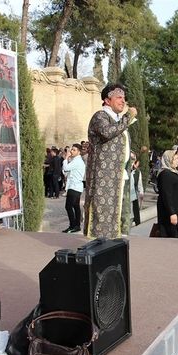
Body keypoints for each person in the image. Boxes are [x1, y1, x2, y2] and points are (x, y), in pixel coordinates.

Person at [83, 83, 137, 239]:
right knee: (102, 213)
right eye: (119, 98)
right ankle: (100, 247)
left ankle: (116, 246)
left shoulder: (119, 120)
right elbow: (107, 133)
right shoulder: (100, 116)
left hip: (120, 175)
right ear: (107, 100)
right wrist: (128, 116)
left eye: (124, 98)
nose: (123, 101)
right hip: (104, 177)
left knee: (121, 216)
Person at [156, 150, 178, 238]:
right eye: (175, 159)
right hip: (171, 215)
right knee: (171, 239)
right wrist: (172, 213)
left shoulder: (174, 172)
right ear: (168, 160)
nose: (177, 161)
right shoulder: (165, 174)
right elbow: (167, 195)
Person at [62, 143, 86, 233]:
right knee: (76, 206)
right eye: (72, 149)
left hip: (74, 187)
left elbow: (66, 168)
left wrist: (66, 158)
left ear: (79, 152)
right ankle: (77, 225)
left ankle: (73, 225)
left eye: (74, 150)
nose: (71, 151)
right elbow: (66, 172)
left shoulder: (77, 161)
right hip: (75, 186)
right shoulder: (75, 160)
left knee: (68, 206)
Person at [130, 156, 144, 227]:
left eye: (133, 160)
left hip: (133, 197)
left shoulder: (137, 172)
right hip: (124, 197)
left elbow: (139, 184)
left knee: (131, 215)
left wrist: (141, 193)